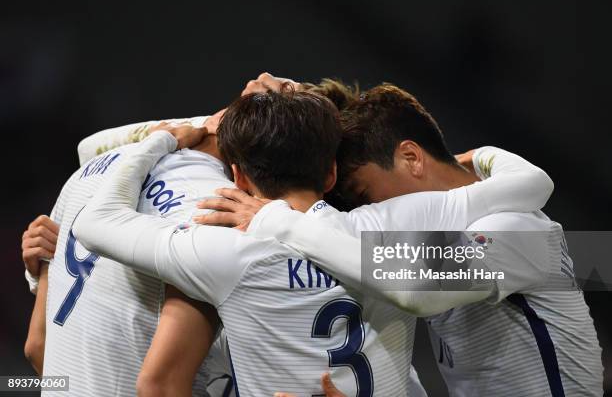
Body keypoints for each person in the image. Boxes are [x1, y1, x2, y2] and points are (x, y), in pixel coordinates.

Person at [72, 89, 553, 396]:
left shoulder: (222, 251)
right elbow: (532, 185)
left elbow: (95, 216)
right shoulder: (384, 228)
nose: (356, 200)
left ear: (238, 175)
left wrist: (168, 140)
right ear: (328, 174)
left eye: (359, 193)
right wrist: (481, 158)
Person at [205, 84, 603, 396]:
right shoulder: (435, 236)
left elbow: (414, 289)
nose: (367, 212)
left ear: (410, 157)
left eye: (364, 195)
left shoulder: (519, 229)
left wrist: (280, 222)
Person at [21, 112, 238, 396]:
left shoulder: (86, 175)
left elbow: (37, 348)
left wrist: (47, 270)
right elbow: (161, 385)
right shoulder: (216, 214)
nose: (262, 77)